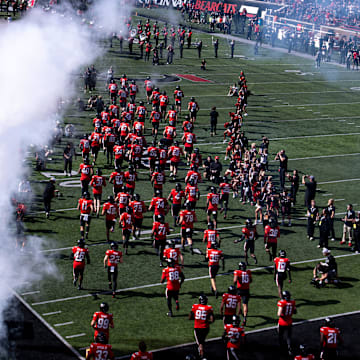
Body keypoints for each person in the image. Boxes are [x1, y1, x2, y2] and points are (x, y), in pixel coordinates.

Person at [189, 295, 214, 359]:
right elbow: (212, 319)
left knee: (200, 344)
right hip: (206, 328)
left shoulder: (195, 306)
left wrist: (195, 318)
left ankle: (202, 356)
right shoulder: (208, 307)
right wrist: (207, 322)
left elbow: (190, 316)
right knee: (202, 342)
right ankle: (201, 353)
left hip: (197, 327)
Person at [277, 290, 297, 356]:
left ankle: (281, 349)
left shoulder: (282, 303)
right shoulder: (293, 302)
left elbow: (279, 314)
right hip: (289, 322)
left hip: (282, 322)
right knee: (289, 337)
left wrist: (284, 315)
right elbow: (295, 311)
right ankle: (289, 349)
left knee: (280, 336)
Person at [233, 262, 252, 326]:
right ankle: (245, 318)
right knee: (245, 304)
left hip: (239, 289)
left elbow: (235, 281)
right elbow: (250, 280)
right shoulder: (248, 272)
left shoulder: (237, 272)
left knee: (237, 303)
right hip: (246, 290)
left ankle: (237, 316)